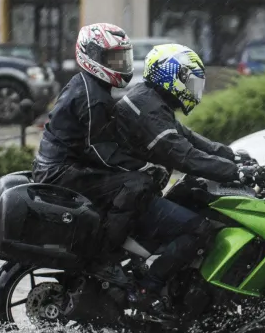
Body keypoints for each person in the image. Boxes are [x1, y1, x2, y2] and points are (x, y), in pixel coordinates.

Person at [107, 43, 257, 325]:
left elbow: (190, 139)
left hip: (134, 190)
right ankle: (147, 288)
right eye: (188, 81)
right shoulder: (146, 107)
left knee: (193, 198)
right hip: (128, 197)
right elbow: (183, 155)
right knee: (198, 228)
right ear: (170, 75)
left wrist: (235, 157)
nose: (192, 89)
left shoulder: (151, 100)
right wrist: (235, 172)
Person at [32, 23, 167, 287]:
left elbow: (104, 139)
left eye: (122, 57)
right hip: (61, 171)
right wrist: (144, 165)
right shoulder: (93, 96)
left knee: (130, 179)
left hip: (62, 164)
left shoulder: (89, 84)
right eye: (113, 58)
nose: (120, 64)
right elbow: (101, 150)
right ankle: (103, 257)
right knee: (135, 184)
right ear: (92, 56)